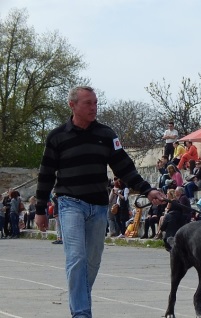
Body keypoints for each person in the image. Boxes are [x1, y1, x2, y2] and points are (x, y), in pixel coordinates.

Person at [34, 86, 164, 318]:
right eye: (88, 103)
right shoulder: (57, 137)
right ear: (72, 105)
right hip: (70, 203)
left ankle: (80, 300)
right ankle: (82, 313)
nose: (94, 107)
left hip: (98, 205)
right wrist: (40, 209)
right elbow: (46, 175)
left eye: (95, 103)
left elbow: (124, 167)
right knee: (77, 258)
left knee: (92, 261)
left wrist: (148, 189)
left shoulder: (106, 135)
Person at [160, 186, 191, 251]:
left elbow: (162, 227)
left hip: (169, 239)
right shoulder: (182, 216)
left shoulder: (168, 215)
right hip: (179, 238)